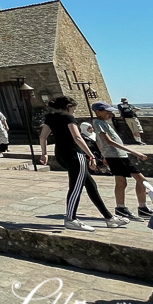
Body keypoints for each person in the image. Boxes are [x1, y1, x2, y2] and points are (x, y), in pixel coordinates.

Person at [38, 96, 128, 232]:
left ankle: (109, 218)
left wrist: (44, 153)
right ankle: (71, 219)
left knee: (91, 185)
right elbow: (77, 137)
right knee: (76, 187)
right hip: (74, 154)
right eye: (73, 108)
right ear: (68, 106)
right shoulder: (68, 118)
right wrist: (90, 155)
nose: (74, 111)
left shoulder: (50, 117)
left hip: (61, 154)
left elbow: (43, 136)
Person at [92, 102, 153, 221]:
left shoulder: (102, 123)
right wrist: (134, 152)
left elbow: (99, 141)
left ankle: (123, 208)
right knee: (141, 180)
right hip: (116, 156)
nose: (110, 114)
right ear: (98, 111)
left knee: (122, 182)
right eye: (107, 111)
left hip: (115, 156)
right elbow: (109, 141)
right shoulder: (99, 123)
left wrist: (103, 155)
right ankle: (140, 208)